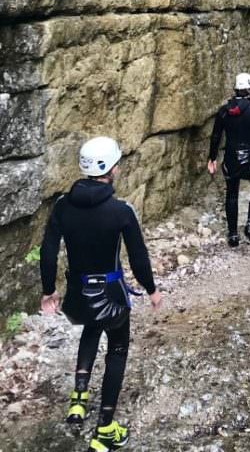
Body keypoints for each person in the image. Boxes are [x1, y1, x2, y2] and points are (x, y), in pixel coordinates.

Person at [39, 136, 161, 451]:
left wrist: (49, 290)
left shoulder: (63, 205)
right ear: (111, 169)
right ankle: (105, 429)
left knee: (92, 327)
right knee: (117, 350)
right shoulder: (121, 210)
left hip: (79, 297)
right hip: (111, 295)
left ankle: (79, 399)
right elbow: (138, 257)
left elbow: (49, 249)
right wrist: (151, 289)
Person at [207, 72, 250, 247]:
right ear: (249, 88)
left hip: (231, 159)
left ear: (236, 89)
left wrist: (212, 158)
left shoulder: (224, 111)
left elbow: (215, 137)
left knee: (232, 194)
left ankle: (233, 235)